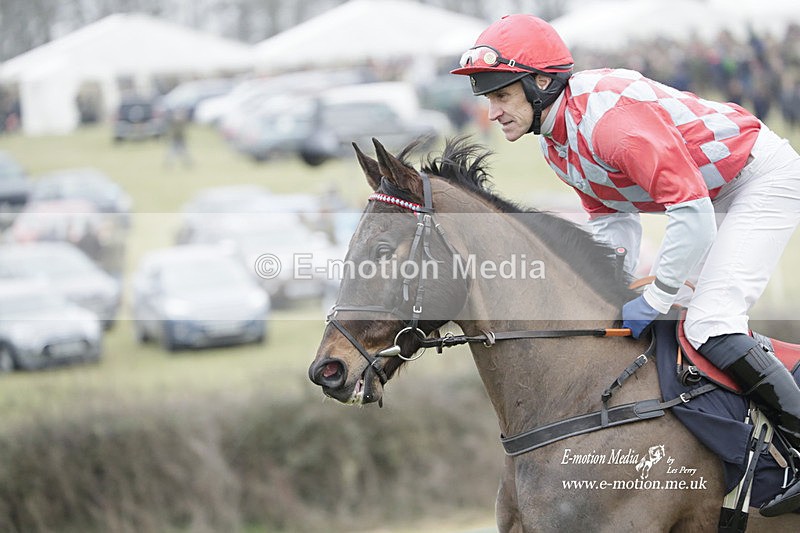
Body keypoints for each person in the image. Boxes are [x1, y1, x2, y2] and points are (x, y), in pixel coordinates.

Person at [452, 14, 800, 516]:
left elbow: (692, 216)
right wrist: (607, 293)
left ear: (541, 83)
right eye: (488, 97)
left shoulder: (609, 126)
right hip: (711, 194)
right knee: (682, 321)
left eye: (502, 95)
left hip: (756, 181)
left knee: (709, 323)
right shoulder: (556, 144)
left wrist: (655, 296)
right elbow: (614, 221)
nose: (493, 111)